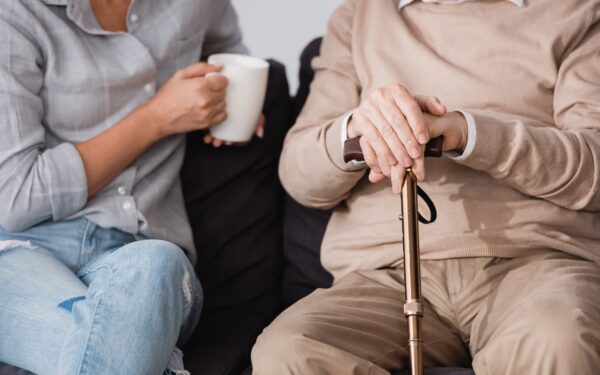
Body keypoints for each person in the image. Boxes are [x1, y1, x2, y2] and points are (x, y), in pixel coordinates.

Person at [251, 0, 600, 374]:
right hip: (384, 277)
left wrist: (468, 134)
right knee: (286, 352)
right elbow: (300, 178)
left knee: (558, 338)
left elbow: (594, 166)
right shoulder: (360, 15)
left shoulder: (579, 12)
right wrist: (358, 131)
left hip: (537, 264)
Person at [0, 0, 262, 374]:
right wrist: (156, 118)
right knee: (125, 335)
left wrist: (236, 104)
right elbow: (16, 195)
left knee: (158, 264)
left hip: (140, 254)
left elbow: (231, 50)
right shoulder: (14, 13)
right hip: (23, 250)